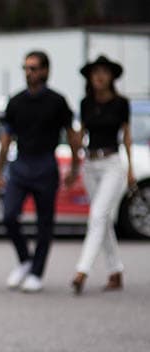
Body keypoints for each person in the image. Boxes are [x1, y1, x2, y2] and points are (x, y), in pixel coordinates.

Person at [0, 50, 80, 293]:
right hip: (21, 164)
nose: (28, 73)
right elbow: (5, 139)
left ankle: (36, 272)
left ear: (45, 71)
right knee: (9, 216)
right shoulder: (16, 101)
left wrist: (74, 167)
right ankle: (24, 260)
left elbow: (72, 136)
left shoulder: (57, 101)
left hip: (45, 165)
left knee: (45, 224)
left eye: (33, 68)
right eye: (26, 68)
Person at [70, 56, 135, 294]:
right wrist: (76, 162)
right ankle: (115, 270)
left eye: (104, 72)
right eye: (95, 72)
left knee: (97, 216)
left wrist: (130, 169)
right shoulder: (86, 103)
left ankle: (82, 270)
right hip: (91, 162)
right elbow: (80, 135)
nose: (99, 76)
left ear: (112, 77)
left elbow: (126, 136)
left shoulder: (120, 103)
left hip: (112, 163)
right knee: (103, 220)